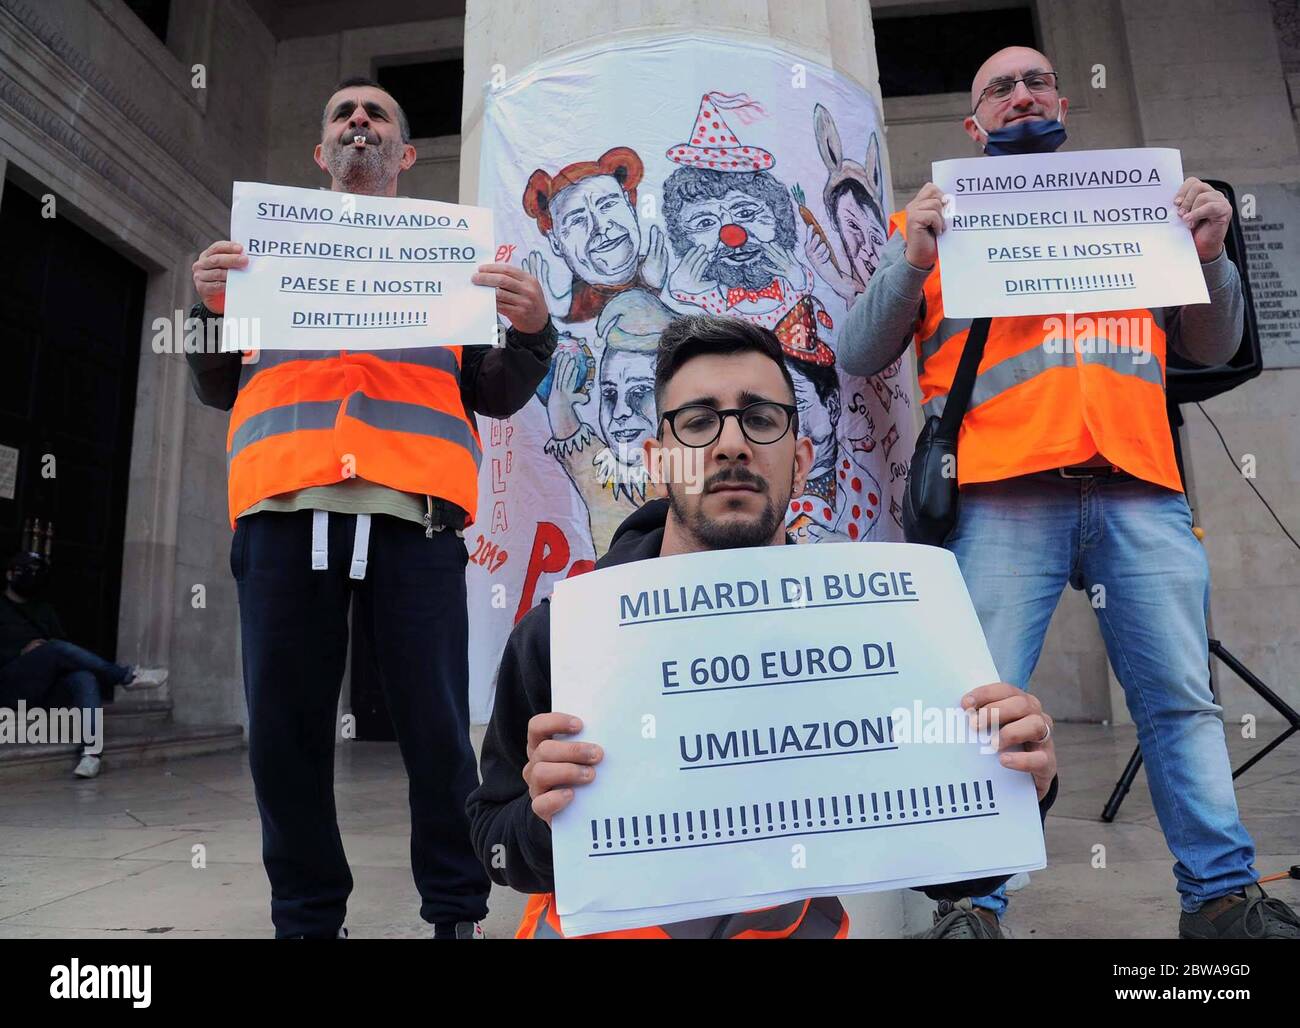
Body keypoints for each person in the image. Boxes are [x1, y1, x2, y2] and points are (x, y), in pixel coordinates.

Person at [838, 46, 1299, 939]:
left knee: (1179, 701)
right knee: (985, 706)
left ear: (1061, 100)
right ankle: (969, 905)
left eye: (1037, 81)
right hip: (1003, 493)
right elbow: (858, 354)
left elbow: (1211, 345)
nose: (1022, 95)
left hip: (1140, 487)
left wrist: (1209, 256)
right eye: (998, 89)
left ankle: (1221, 900)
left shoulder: (1148, 212)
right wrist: (910, 256)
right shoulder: (935, 222)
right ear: (973, 125)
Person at [468, 314, 1060, 939]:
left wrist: (1019, 784)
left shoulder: (876, 633)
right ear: (659, 461)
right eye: (698, 421)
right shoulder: (563, 635)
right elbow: (493, 843)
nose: (731, 445)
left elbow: (955, 876)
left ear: (801, 460)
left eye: (761, 418)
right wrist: (543, 820)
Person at [185, 77, 557, 939]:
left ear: (406, 153)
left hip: (415, 515)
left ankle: (456, 913)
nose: (360, 122)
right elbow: (213, 384)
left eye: (377, 114)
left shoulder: (451, 261)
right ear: (320, 153)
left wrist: (533, 329)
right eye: (343, 115)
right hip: (283, 506)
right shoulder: (259, 255)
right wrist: (205, 307)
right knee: (284, 734)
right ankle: (308, 919)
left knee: (434, 733)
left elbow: (494, 393)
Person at [0, 553, 166, 778]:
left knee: (83, 676)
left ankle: (91, 754)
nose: (32, 576)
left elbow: (63, 649)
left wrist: (44, 650)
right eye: (26, 570)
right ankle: (127, 676)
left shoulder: (44, 610)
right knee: (56, 648)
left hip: (43, 688)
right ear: (10, 574)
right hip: (10, 684)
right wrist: (22, 652)